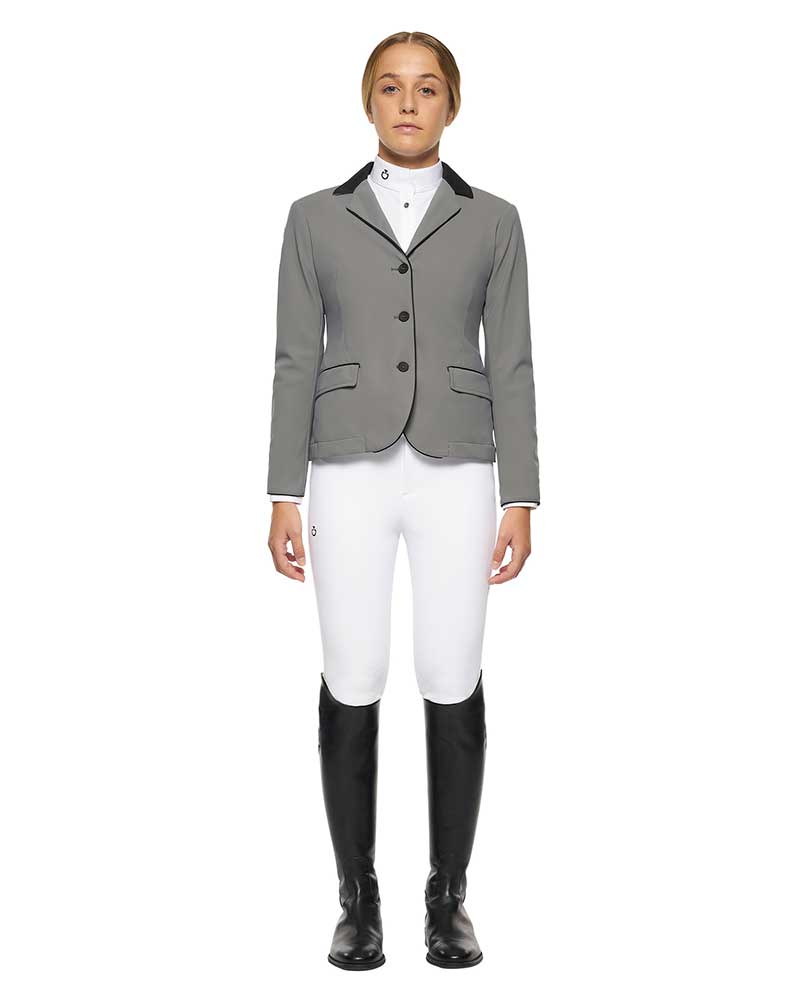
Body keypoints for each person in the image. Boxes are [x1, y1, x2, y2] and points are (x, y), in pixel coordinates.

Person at [267, 30, 540, 970]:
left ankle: (448, 897)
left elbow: (513, 360)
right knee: (353, 670)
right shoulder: (313, 218)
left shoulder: (495, 221)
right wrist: (282, 491)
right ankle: (358, 899)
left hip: (460, 469)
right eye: (391, 87)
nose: (409, 103)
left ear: (451, 104)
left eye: (427, 88)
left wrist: (522, 495)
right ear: (369, 102)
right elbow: (294, 357)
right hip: (344, 466)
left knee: (450, 668)